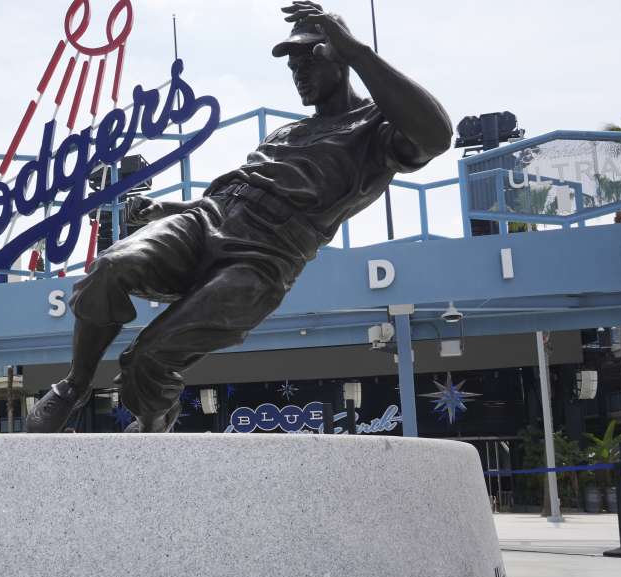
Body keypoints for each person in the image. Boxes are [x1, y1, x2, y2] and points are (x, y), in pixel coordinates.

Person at [26, 2, 452, 433]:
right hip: (210, 218)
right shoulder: (287, 133)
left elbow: (437, 134)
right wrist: (168, 210)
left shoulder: (375, 131)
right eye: (292, 66)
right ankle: (73, 386)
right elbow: (238, 193)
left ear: (339, 59)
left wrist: (357, 50)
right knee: (111, 268)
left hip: (263, 257)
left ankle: (153, 419)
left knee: (149, 359)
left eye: (309, 60)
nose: (298, 73)